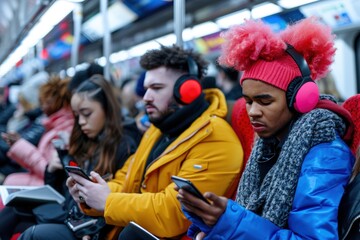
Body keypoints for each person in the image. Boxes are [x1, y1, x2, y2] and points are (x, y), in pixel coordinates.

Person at [177, 17, 355, 239]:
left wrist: (228, 224)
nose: (252, 111)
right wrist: (213, 226)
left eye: (265, 101)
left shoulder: (326, 154)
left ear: (299, 100)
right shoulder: (269, 145)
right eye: (249, 101)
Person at [63, 45, 243, 239]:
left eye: (156, 88)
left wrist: (107, 201)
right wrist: (92, 193)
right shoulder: (157, 130)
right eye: (147, 88)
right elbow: (127, 180)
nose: (146, 98)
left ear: (188, 90)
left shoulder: (216, 140)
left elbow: (172, 213)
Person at [11, 75, 138, 240]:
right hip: (74, 215)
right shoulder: (82, 140)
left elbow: (118, 196)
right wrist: (54, 170)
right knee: (16, 213)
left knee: (32, 233)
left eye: (87, 114)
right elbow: (63, 190)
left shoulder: (125, 145)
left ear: (107, 110)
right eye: (77, 115)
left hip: (93, 225)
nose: (81, 122)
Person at [1, 76, 74, 186]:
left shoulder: (63, 128)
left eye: (44, 102)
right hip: (44, 181)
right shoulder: (52, 124)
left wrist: (19, 144)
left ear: (55, 102)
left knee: (9, 181)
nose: (42, 106)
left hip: (50, 185)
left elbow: (48, 171)